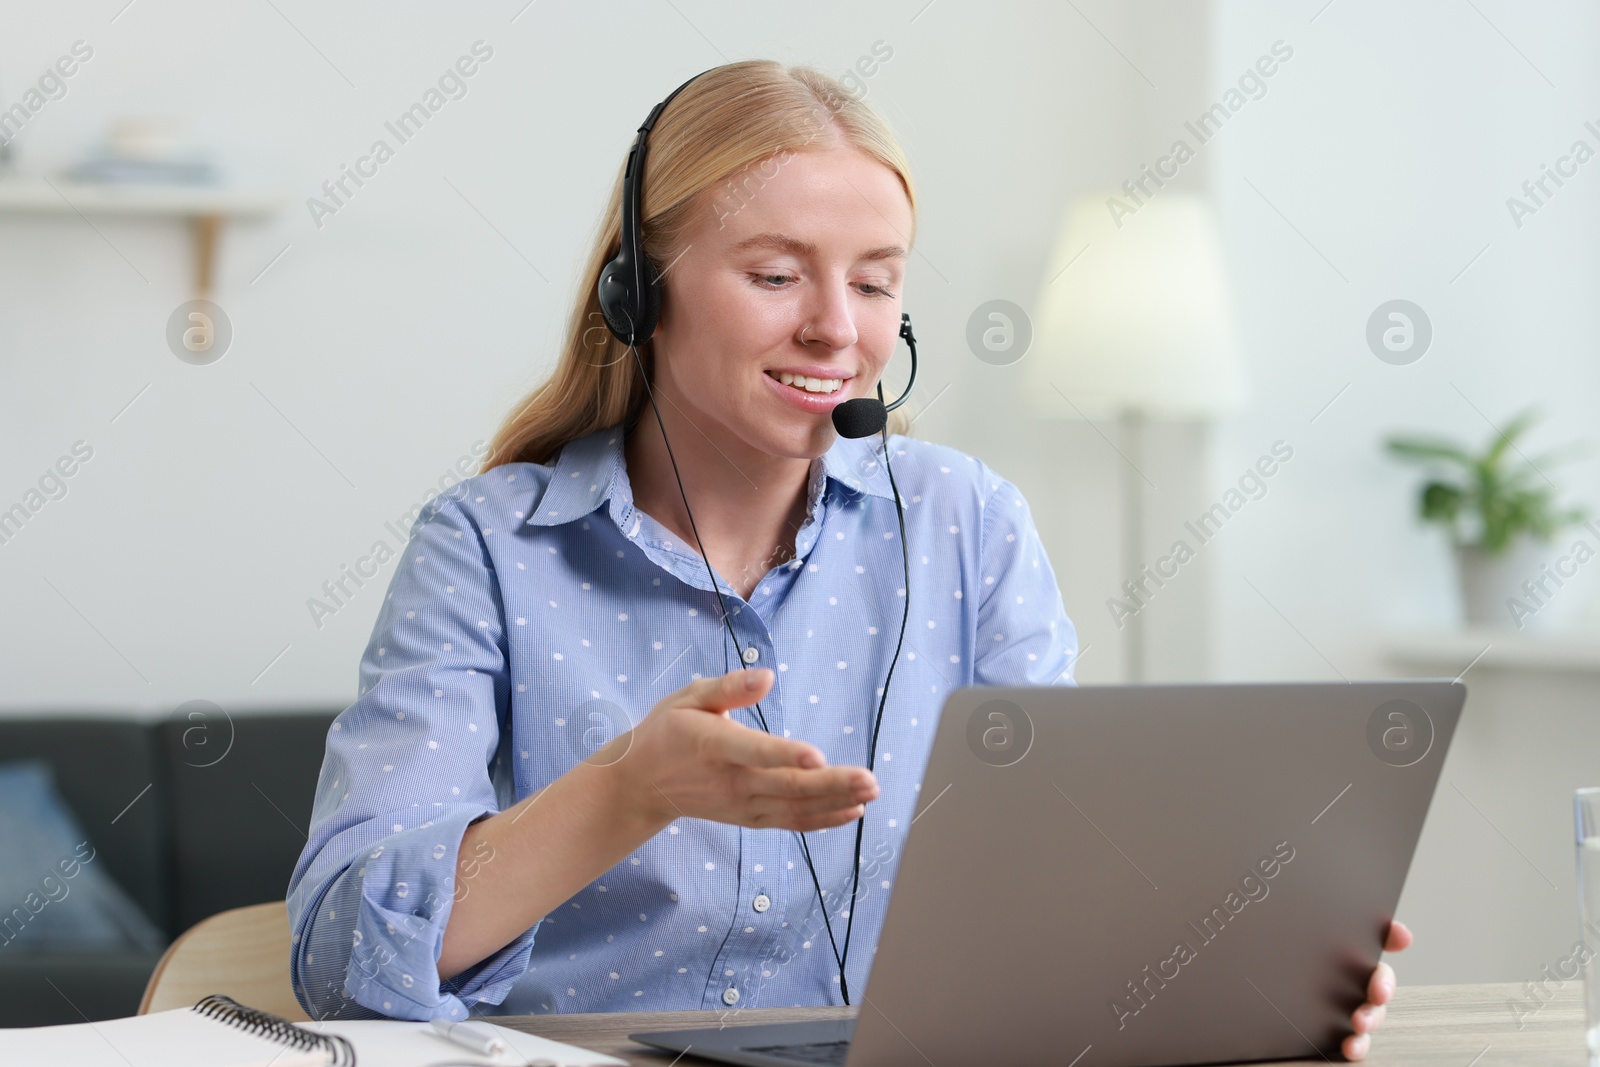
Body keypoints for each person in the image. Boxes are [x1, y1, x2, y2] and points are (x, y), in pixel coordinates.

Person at [285, 59, 1406, 1059]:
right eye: (776, 275)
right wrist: (628, 792)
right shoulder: (485, 547)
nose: (838, 329)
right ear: (641, 294)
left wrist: (1248, 965)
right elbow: (339, 961)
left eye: (874, 282)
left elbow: (1060, 882)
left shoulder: (968, 521)